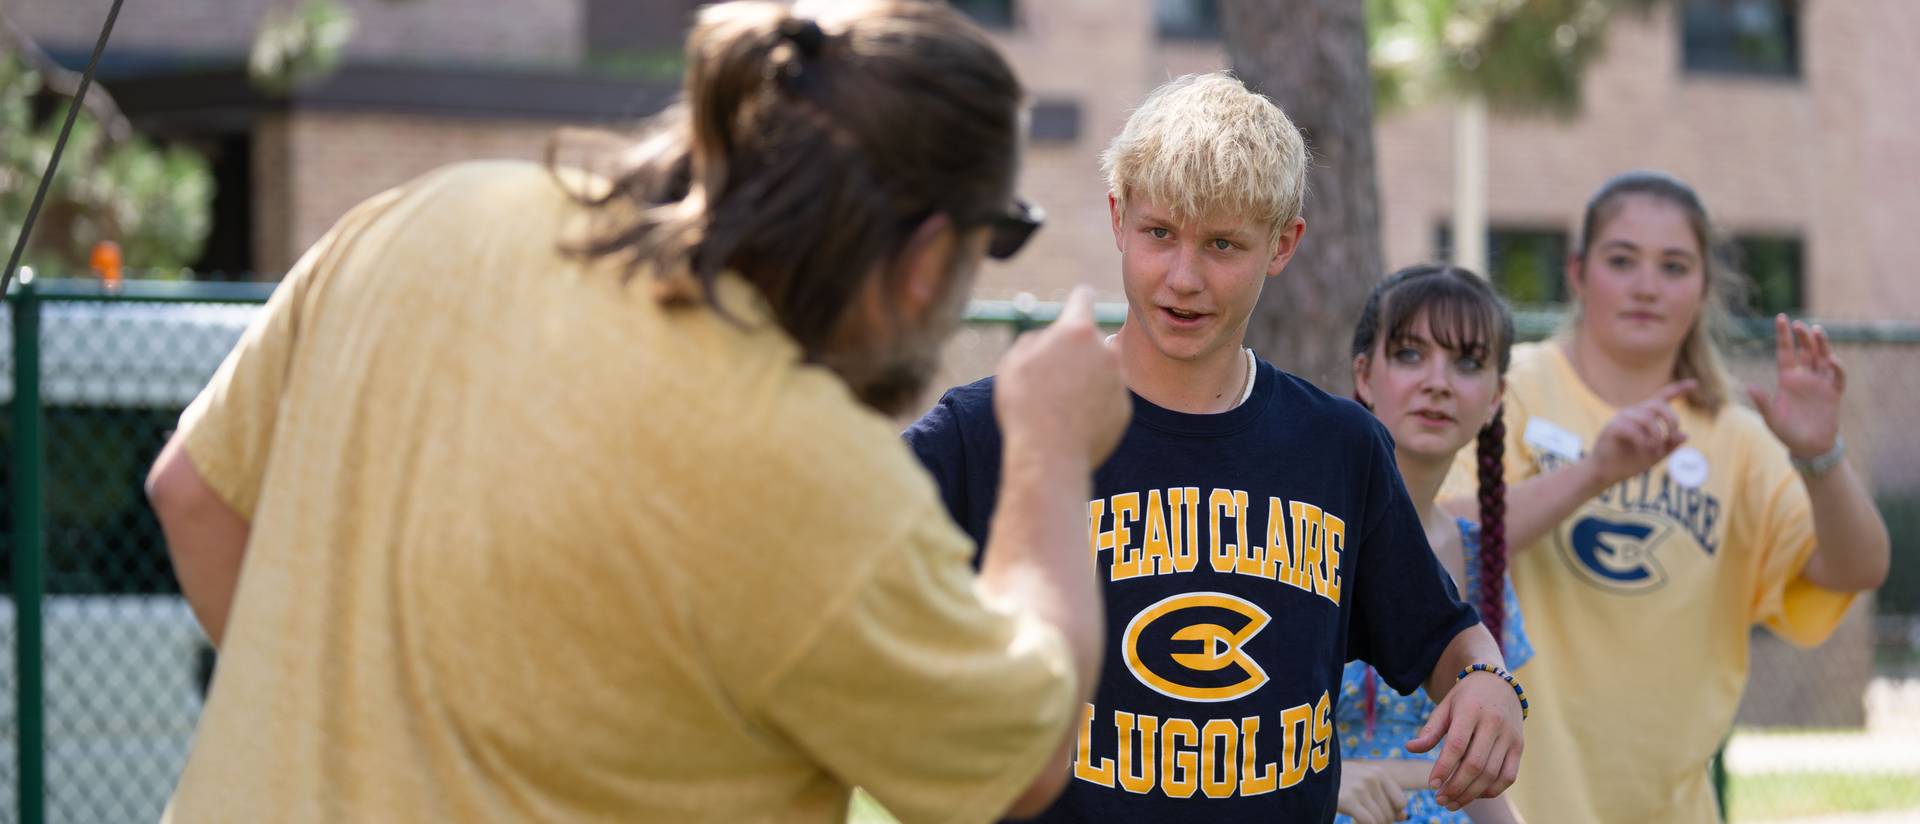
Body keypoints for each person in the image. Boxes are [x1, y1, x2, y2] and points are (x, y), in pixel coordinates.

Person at [142, 2, 1132, 821]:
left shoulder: (427, 215)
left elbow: (192, 491)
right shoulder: (800, 466)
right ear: (925, 257)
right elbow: (1023, 749)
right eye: (996, 238)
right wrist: (1046, 441)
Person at [905, 72, 1525, 823]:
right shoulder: (1001, 425)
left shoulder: (1340, 447)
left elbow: (1442, 636)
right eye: (1159, 233)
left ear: (1283, 245)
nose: (1184, 277)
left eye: (1223, 243)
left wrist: (1491, 684)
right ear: (1117, 218)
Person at [1441, 170, 1892, 823]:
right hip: (1507, 806)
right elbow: (1438, 540)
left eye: (1674, 266)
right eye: (1622, 260)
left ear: (1704, 286)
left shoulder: (1736, 438)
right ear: (1578, 272)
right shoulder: (1508, 391)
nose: (1646, 286)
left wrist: (1820, 457)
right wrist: (1593, 473)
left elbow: (1858, 567)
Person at [1333, 265, 1531, 824]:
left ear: (1496, 397)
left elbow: (1482, 777)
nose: (1438, 381)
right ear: (1365, 376)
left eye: (1467, 362)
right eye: (1411, 354)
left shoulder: (1476, 553)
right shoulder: (1307, 534)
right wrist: (1328, 779)